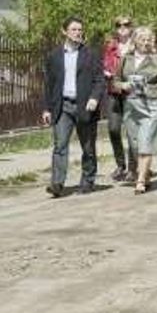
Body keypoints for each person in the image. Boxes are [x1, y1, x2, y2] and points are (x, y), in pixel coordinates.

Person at [41, 16, 105, 197]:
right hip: (63, 106)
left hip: (85, 106)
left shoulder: (90, 54)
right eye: (74, 29)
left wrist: (94, 98)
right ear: (64, 32)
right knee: (60, 145)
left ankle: (87, 180)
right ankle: (57, 183)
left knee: (88, 146)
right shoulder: (54, 56)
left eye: (80, 29)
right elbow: (48, 83)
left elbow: (99, 79)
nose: (78, 33)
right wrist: (46, 108)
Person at [114, 26, 157, 194]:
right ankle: (146, 173)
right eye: (142, 39)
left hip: (151, 104)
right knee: (135, 145)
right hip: (131, 105)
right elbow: (115, 81)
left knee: (146, 143)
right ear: (135, 41)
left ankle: (141, 180)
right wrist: (123, 85)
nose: (145, 43)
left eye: (148, 40)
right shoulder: (125, 59)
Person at [102, 15, 137, 181]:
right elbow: (106, 64)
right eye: (119, 25)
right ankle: (120, 165)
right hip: (114, 91)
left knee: (131, 132)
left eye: (126, 24)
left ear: (131, 26)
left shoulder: (137, 46)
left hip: (131, 93)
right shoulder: (111, 46)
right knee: (113, 129)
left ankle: (133, 168)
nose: (122, 27)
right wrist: (107, 72)